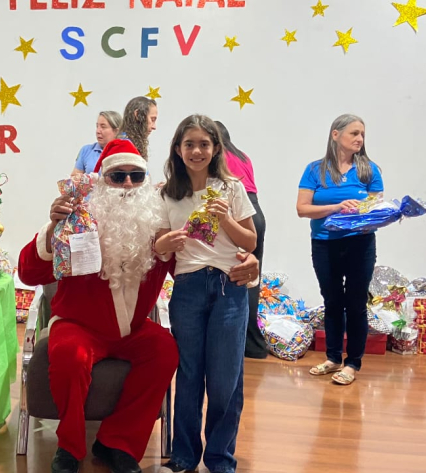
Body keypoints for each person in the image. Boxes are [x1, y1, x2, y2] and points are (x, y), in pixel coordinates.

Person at [18, 139, 260, 473]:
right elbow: (29, 273)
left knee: (164, 351)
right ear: (102, 180)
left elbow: (195, 263)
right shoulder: (77, 220)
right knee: (71, 356)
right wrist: (51, 232)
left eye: (137, 176)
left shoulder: (156, 225)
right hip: (78, 324)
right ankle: (70, 447)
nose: (128, 184)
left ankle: (117, 442)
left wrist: (246, 263)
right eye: (118, 176)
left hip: (132, 330)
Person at [155, 115, 257, 473]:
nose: (196, 151)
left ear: (215, 149)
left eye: (204, 144)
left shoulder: (232, 188)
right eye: (189, 144)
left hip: (229, 287)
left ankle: (219, 459)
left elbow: (250, 241)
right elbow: (159, 248)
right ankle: (183, 457)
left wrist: (225, 218)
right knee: (188, 375)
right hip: (188, 288)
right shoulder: (166, 194)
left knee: (225, 378)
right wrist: (166, 243)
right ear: (177, 149)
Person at [296, 114, 383, 386]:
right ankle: (333, 358)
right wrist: (336, 207)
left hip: (360, 245)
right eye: (354, 133)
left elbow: (377, 209)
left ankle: (353, 363)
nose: (360, 139)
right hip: (324, 244)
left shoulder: (370, 170)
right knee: (332, 301)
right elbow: (302, 209)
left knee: (356, 304)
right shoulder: (315, 170)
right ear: (336, 134)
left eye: (362, 134)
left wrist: (370, 213)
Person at [215, 120, 269, 359]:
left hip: (237, 213)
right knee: (251, 278)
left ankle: (238, 340)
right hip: (256, 212)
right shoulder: (243, 156)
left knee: (235, 276)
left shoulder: (218, 157)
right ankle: (253, 343)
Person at [71, 111, 122, 175]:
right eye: (97, 126)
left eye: (103, 127)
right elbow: (74, 177)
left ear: (116, 131)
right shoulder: (86, 150)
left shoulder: (125, 152)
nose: (98, 131)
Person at [118, 96, 158, 161]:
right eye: (152, 119)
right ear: (138, 115)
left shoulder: (129, 144)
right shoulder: (124, 147)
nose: (154, 127)